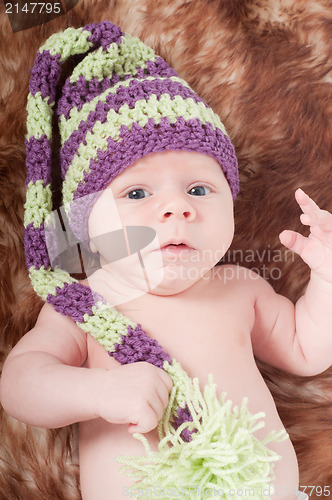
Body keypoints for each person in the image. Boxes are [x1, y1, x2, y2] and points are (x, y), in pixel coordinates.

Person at [0, 20, 329, 500]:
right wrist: (99, 393)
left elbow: (307, 350)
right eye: (136, 192)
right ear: (86, 223)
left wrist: (326, 278)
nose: (178, 207)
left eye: (199, 188)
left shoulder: (240, 286)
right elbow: (21, 386)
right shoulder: (84, 302)